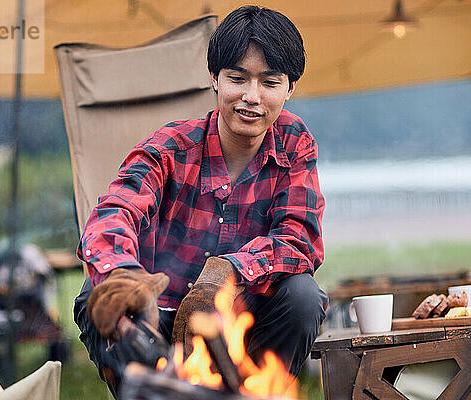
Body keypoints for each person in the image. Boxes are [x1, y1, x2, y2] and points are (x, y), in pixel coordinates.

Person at [73, 5, 328, 397]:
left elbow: (300, 239)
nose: (251, 97)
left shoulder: (295, 143)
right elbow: (113, 212)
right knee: (97, 295)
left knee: (304, 296)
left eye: (270, 82)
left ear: (290, 88)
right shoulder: (170, 146)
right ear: (214, 78)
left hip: (241, 324)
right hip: (159, 324)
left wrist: (226, 272)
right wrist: (123, 275)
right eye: (237, 78)